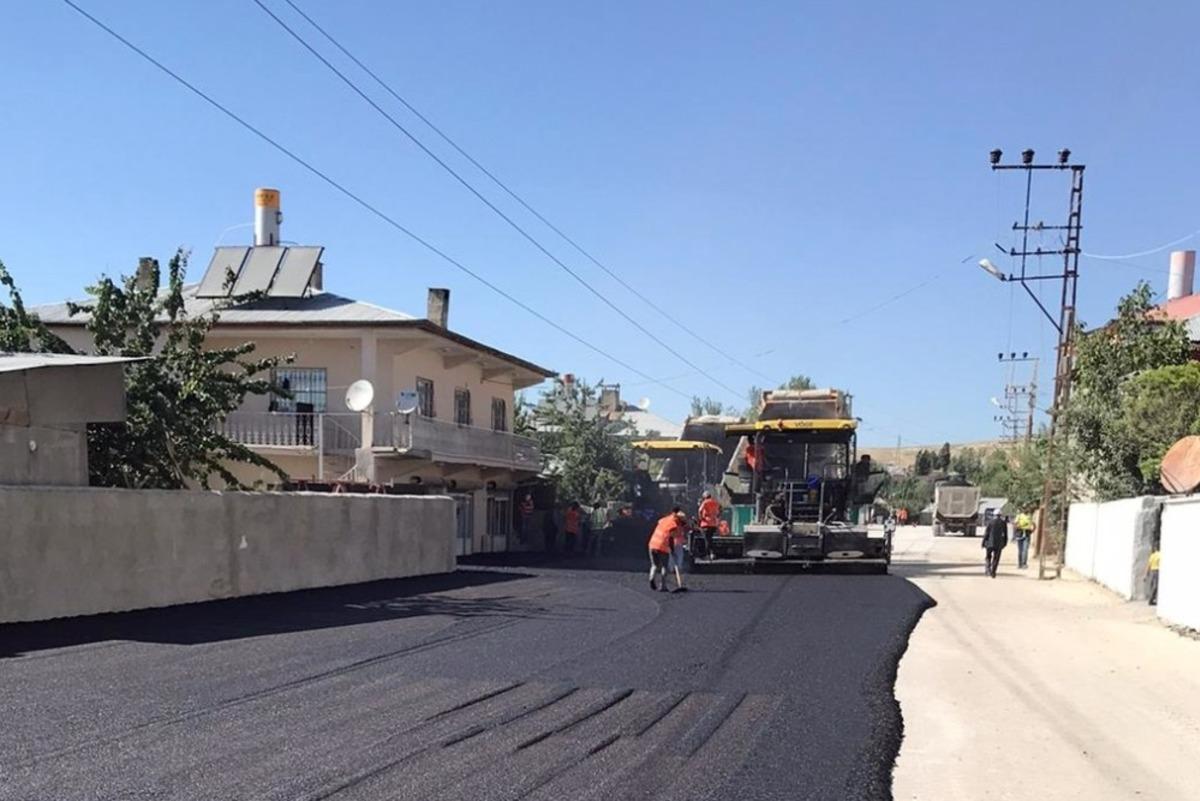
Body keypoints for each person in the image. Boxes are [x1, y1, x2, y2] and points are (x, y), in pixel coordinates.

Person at [648, 507, 687, 592]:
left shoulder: (664, 519)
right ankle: (663, 586)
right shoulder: (673, 525)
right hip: (662, 547)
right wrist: (672, 550)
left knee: (654, 565)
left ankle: (651, 577)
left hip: (652, 544)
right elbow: (670, 539)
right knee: (664, 566)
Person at [982, 513, 1009, 578]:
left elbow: (986, 533)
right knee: (996, 558)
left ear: (994, 515)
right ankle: (993, 572)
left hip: (989, 543)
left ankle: (988, 569)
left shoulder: (990, 522)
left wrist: (983, 542)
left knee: (988, 557)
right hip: (999, 544)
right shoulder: (1003, 523)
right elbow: (1005, 534)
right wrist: (1005, 543)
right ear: (1000, 515)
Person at [698, 490, 721, 561]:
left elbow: (700, 510)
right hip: (713, 523)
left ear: (705, 497)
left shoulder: (705, 502)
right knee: (710, 539)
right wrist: (717, 517)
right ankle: (712, 553)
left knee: (707, 539)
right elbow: (720, 510)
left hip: (706, 523)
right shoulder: (715, 502)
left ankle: (708, 554)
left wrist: (701, 518)